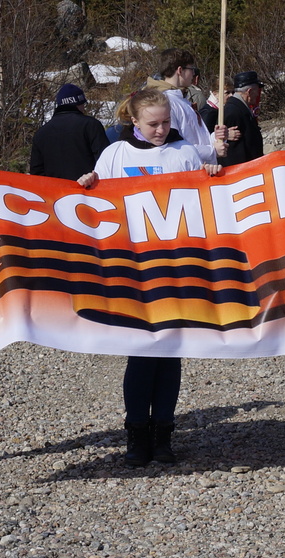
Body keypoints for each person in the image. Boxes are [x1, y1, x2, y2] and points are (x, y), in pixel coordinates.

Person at [80, 89, 222, 465]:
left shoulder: (184, 152)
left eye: (166, 123)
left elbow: (203, 204)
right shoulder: (115, 154)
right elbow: (96, 206)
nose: (161, 130)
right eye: (153, 124)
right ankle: (135, 436)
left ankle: (163, 435)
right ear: (135, 122)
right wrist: (88, 182)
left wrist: (210, 176)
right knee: (141, 354)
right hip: (132, 268)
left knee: (170, 354)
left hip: (177, 266)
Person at [144, 49, 221, 163]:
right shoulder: (165, 102)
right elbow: (174, 146)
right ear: (180, 70)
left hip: (201, 170)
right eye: (191, 69)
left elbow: (193, 137)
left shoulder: (181, 98)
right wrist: (212, 151)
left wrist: (215, 137)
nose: (194, 74)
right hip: (187, 173)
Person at [29, 83, 109, 180]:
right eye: (83, 104)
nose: (84, 108)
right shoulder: (91, 125)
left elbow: (36, 173)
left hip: (54, 193)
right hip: (86, 191)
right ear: (79, 104)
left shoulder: (41, 133)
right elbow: (105, 161)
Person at [200, 71, 265, 165]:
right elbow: (233, 153)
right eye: (257, 90)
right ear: (249, 91)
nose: (258, 94)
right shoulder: (232, 112)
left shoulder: (239, 108)